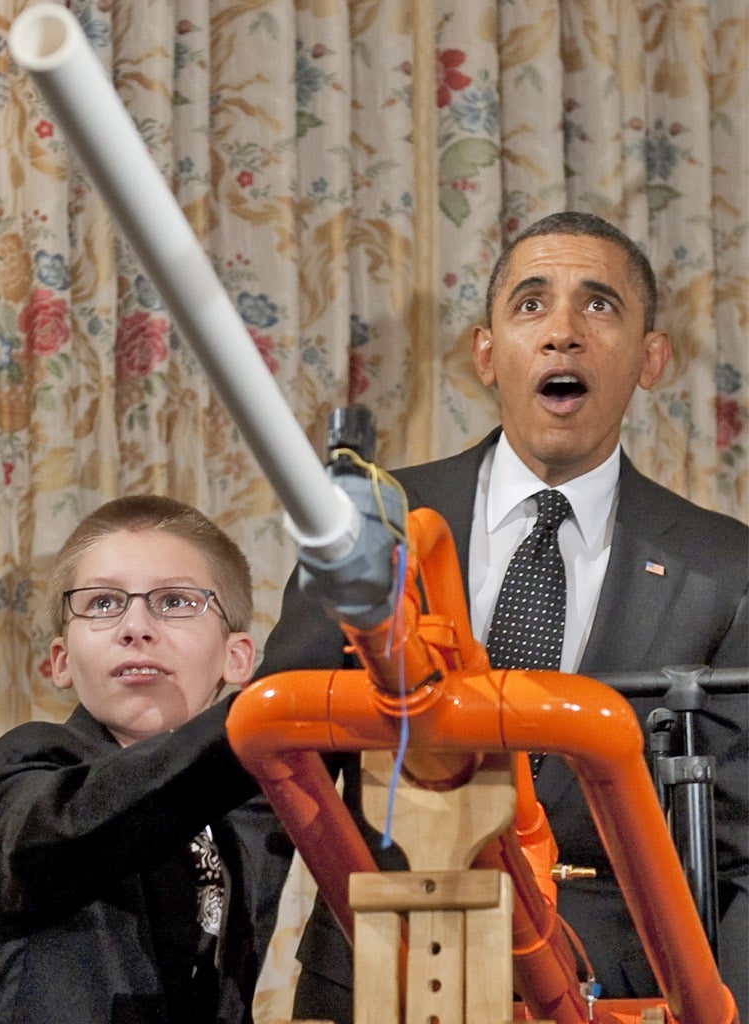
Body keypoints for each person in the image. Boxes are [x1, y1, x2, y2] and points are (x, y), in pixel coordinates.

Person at [252, 211, 749, 1022]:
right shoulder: (371, 525)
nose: (561, 333)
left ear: (651, 359)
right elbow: (275, 781)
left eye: (599, 305)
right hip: (381, 978)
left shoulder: (728, 569)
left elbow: (739, 854)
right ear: (485, 353)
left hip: (613, 994)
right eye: (530, 305)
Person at [0, 495, 266, 1024]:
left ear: (237, 656)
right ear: (61, 660)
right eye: (104, 603)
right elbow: (58, 837)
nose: (136, 626)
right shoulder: (29, 765)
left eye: (177, 602)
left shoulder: (245, 815)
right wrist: (260, 714)